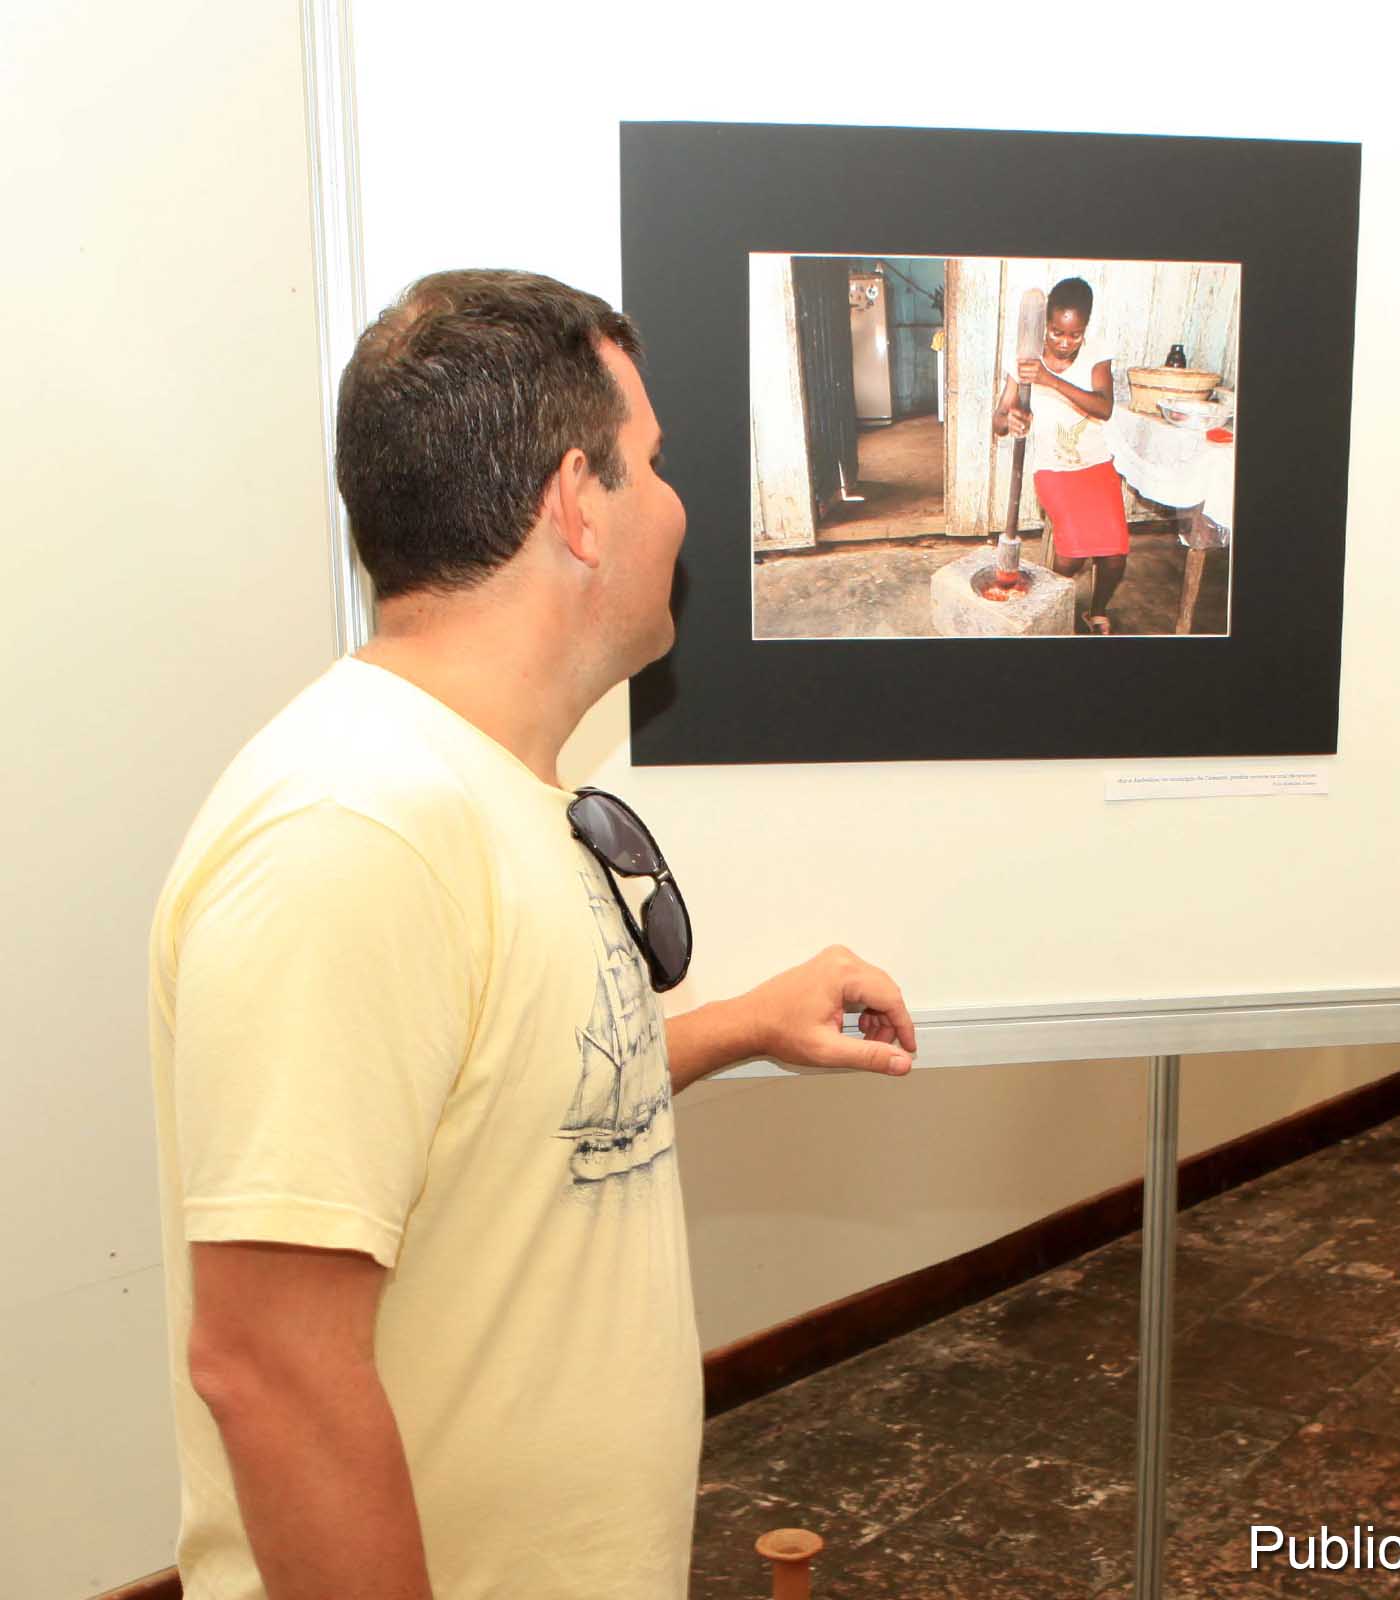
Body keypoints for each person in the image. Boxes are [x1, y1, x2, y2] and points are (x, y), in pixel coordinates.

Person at [148, 269, 918, 1600]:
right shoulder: (354, 830)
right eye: (656, 463)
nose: (678, 507)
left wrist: (743, 1023)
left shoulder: (490, 792)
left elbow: (502, 1111)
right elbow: (267, 1367)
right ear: (577, 501)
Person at [994, 275, 1128, 633]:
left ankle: (1095, 610)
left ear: (1085, 328)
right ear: (1047, 323)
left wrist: (1049, 379)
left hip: (1097, 464)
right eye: (1056, 332)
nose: (1065, 342)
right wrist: (1012, 419)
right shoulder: (1025, 355)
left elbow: (1103, 408)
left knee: (1115, 556)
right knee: (1072, 557)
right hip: (1053, 468)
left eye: (1075, 334)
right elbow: (998, 419)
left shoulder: (1097, 353)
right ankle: (1051, 612)